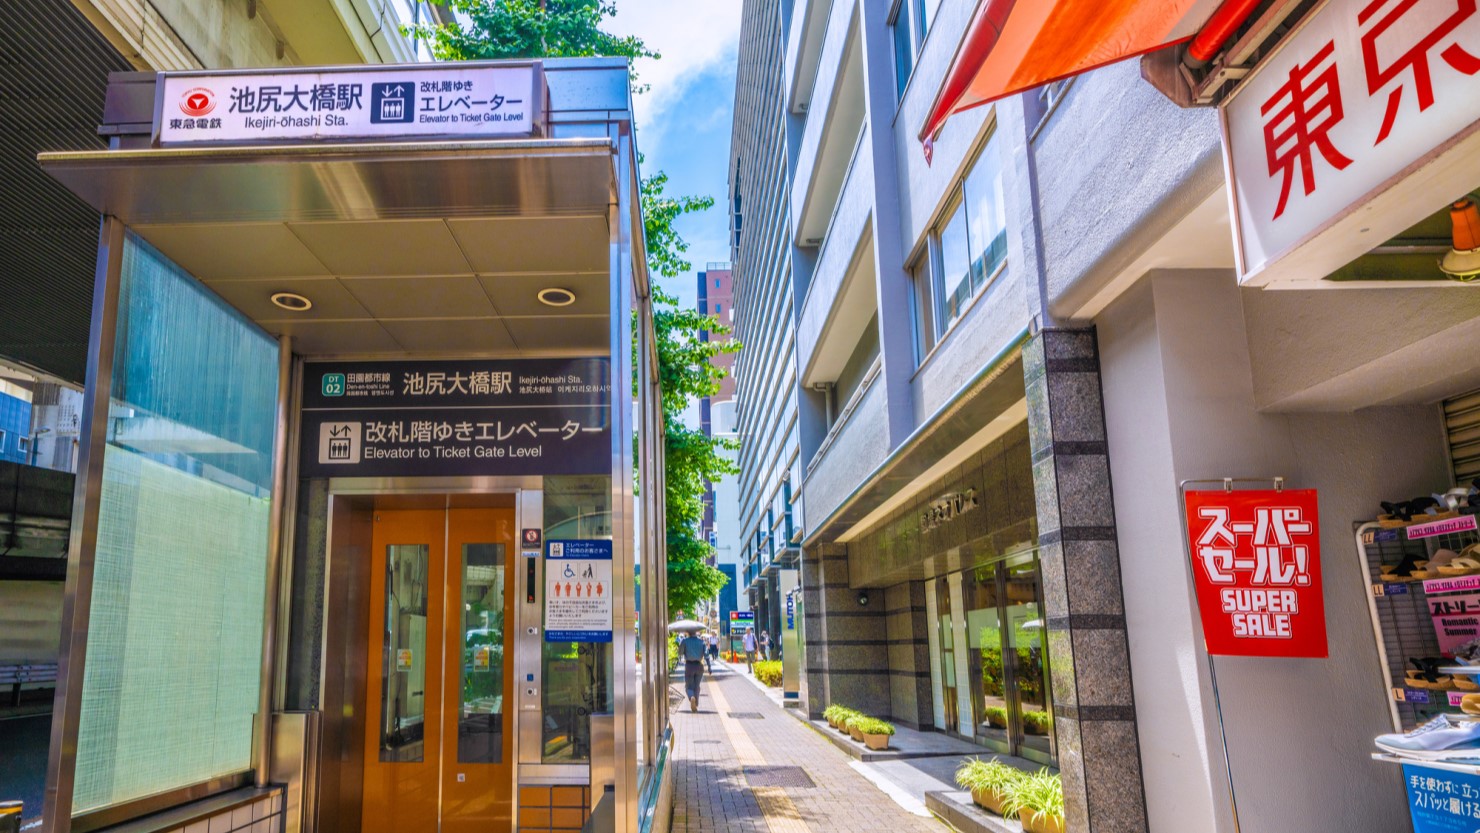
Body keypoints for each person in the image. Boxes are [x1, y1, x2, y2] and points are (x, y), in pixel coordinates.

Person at [679, 629, 707, 712]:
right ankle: (696, 703)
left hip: (689, 666)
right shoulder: (701, 642)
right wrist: (709, 667)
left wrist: (683, 648)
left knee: (688, 686)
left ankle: (691, 697)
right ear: (695, 633)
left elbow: (680, 653)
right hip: (699, 665)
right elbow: (706, 654)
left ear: (688, 633)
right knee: (697, 686)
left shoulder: (685, 641)